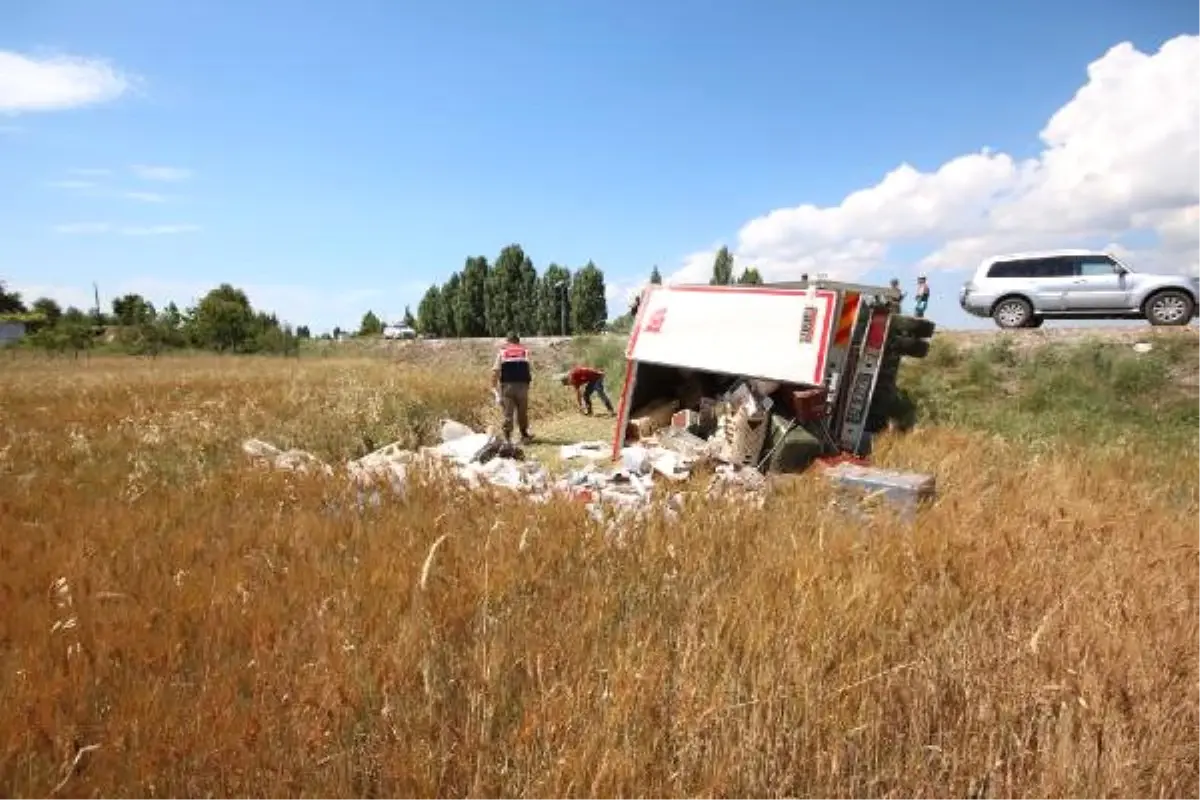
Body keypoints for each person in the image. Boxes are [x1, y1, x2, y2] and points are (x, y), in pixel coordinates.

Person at [492, 332, 533, 443]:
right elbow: (528, 369)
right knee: (522, 411)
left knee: (508, 412)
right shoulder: (525, 351)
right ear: (518, 341)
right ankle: (524, 434)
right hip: (523, 386)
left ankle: (507, 438)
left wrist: (493, 386)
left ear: (508, 341)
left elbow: (496, 371)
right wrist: (527, 385)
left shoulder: (503, 352)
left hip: (508, 386)